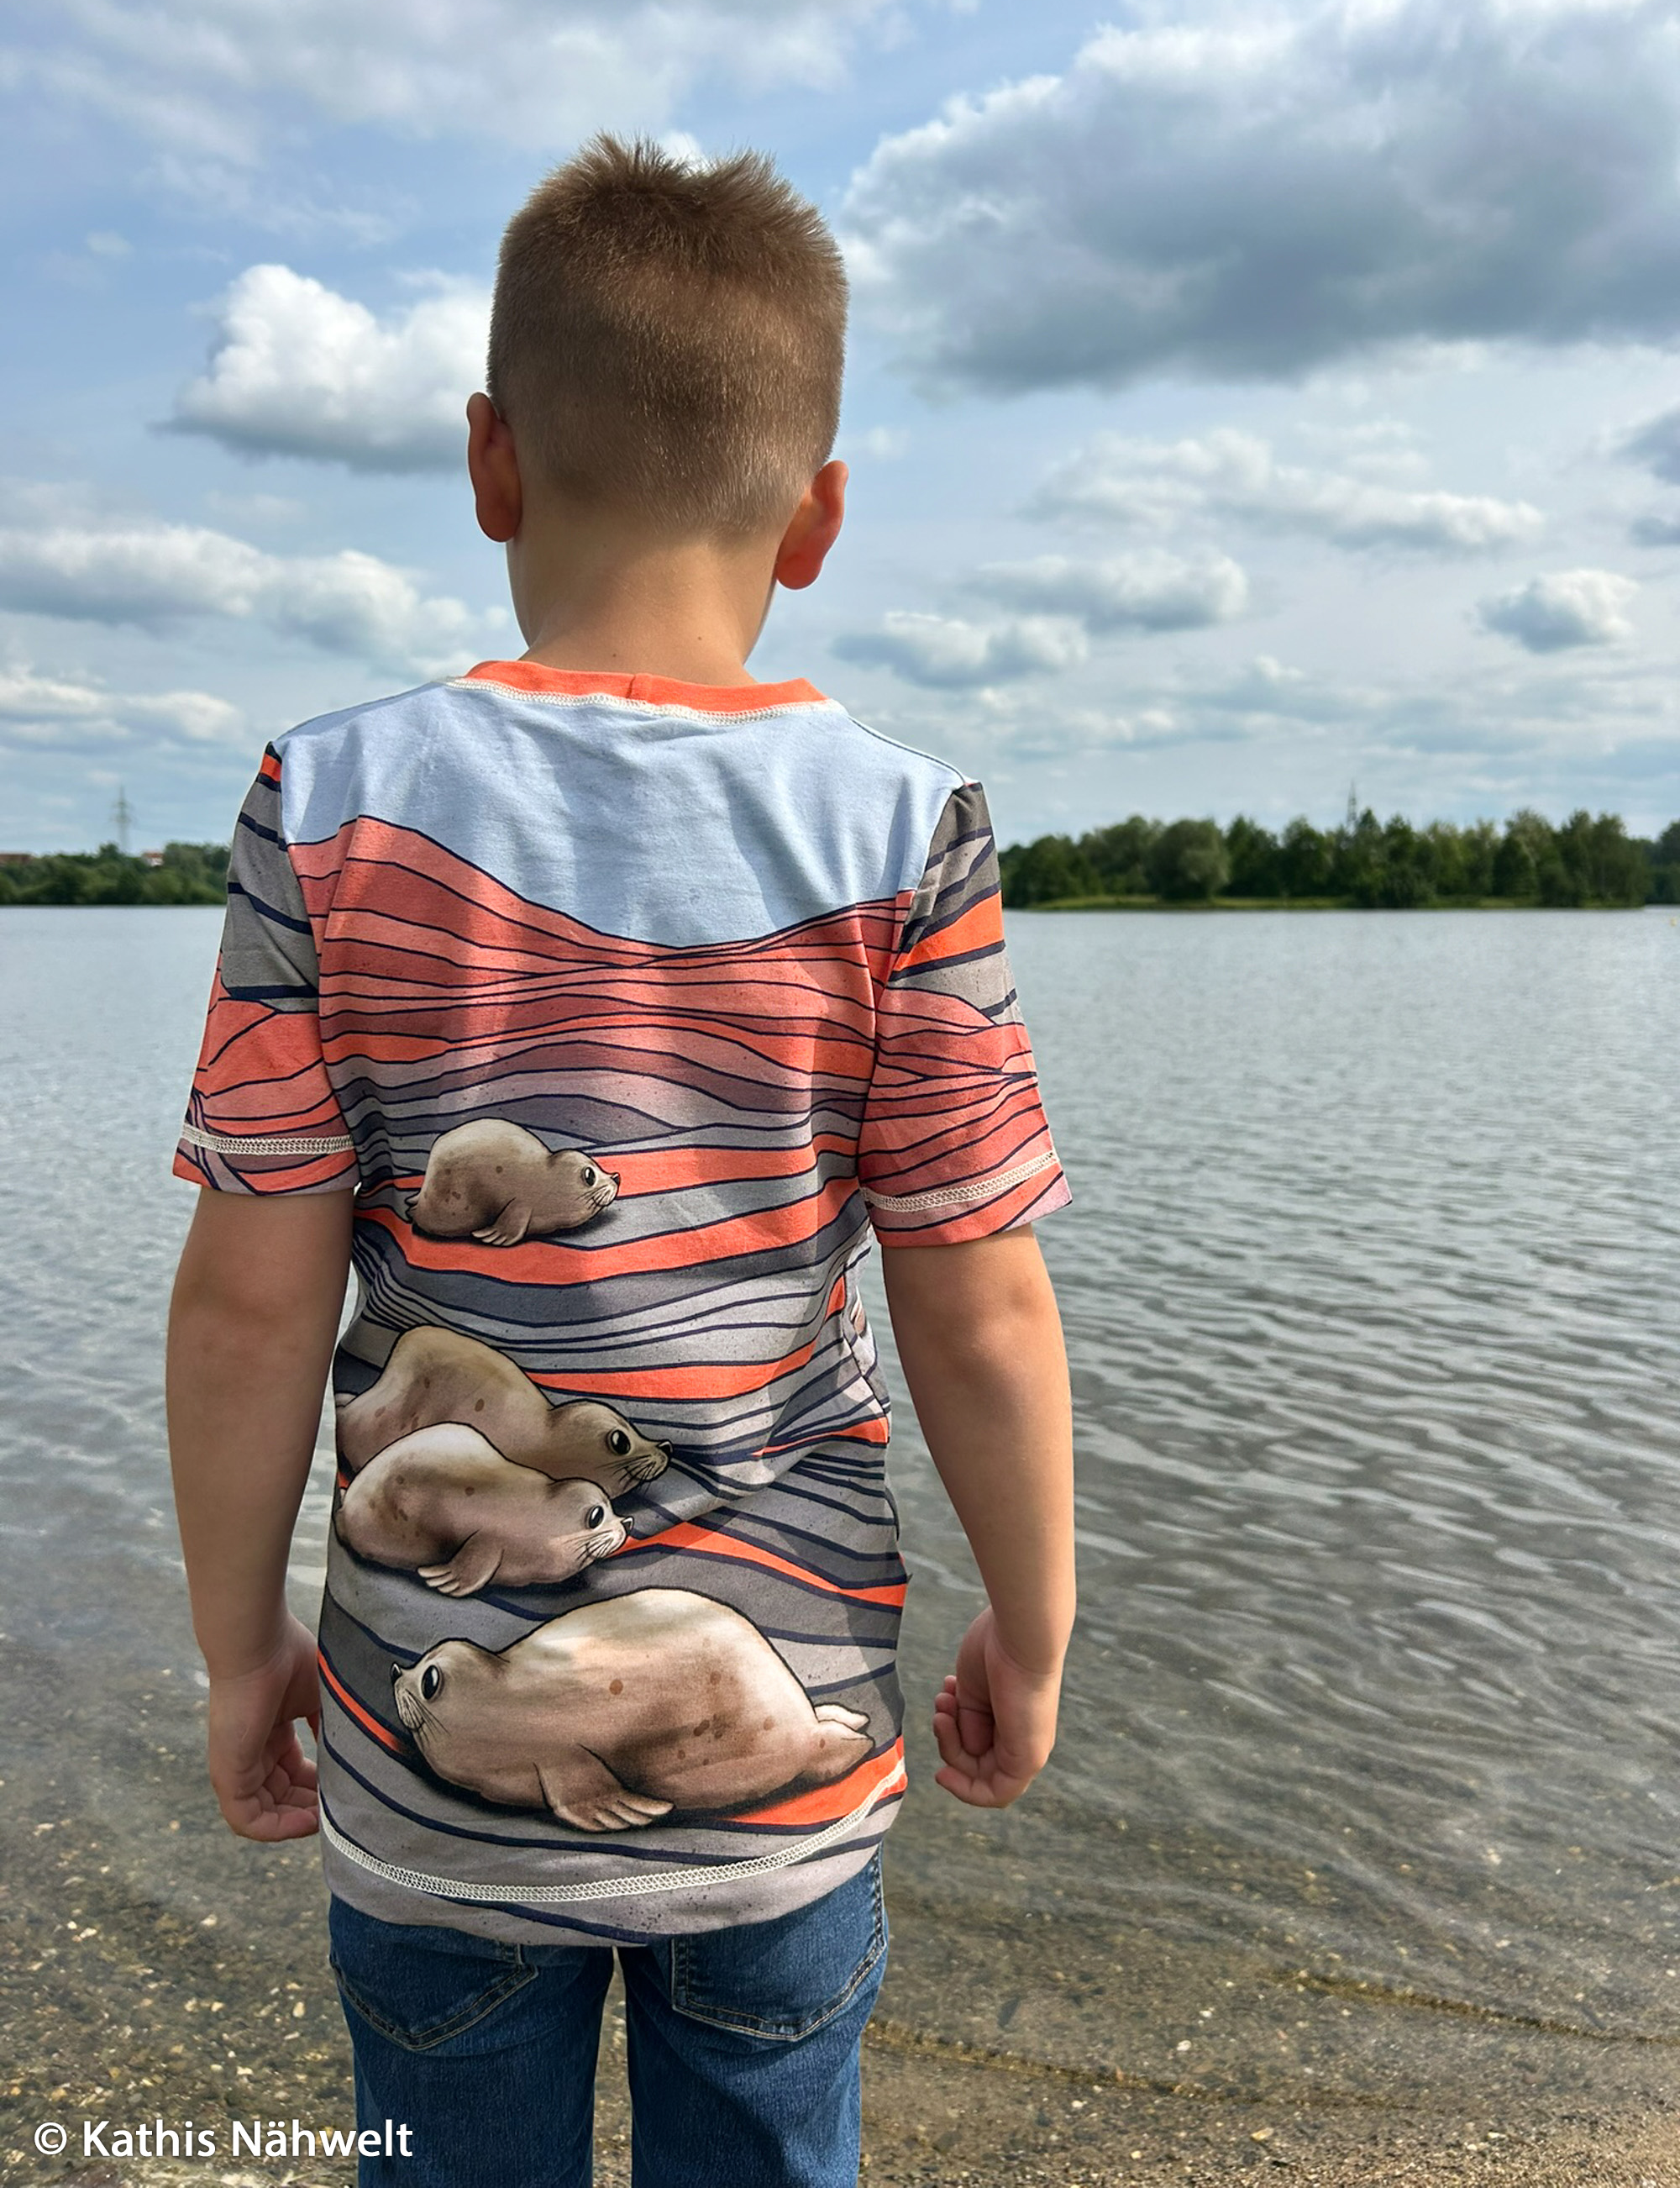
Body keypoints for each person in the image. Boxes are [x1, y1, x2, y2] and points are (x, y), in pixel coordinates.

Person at [165, 135, 1074, 2188]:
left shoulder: (324, 801)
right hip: (779, 1780)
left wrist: (239, 1651)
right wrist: (1032, 1621)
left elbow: (244, 1303)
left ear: (489, 461)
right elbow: (982, 1301)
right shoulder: (905, 829)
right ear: (816, 515)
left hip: (430, 1774)